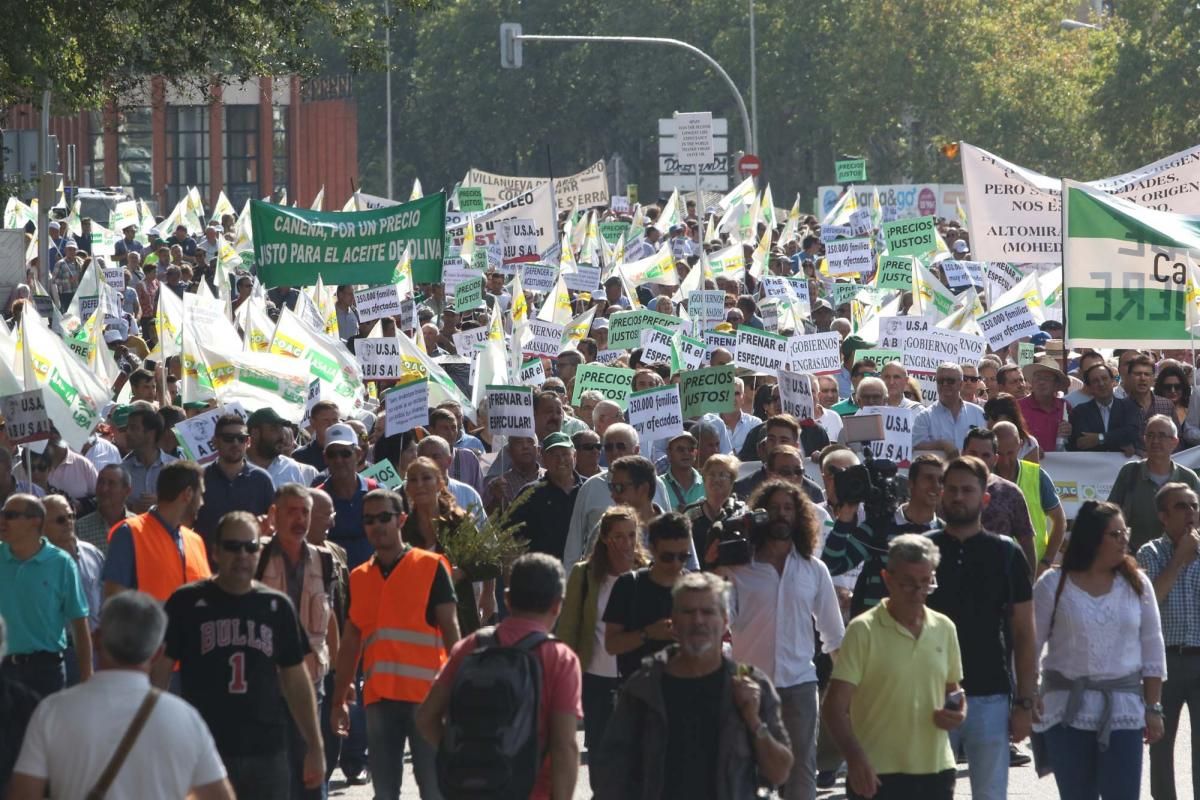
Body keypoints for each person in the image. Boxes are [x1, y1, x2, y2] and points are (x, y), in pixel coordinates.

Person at [156, 511, 324, 800]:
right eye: (233, 547)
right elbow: (159, 672)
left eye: (250, 547)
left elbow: (296, 680)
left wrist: (315, 745)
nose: (242, 555)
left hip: (266, 750)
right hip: (203, 749)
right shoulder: (186, 602)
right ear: (216, 551)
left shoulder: (276, 606)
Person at [8, 592, 234, 800]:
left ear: (96, 640)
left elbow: (24, 794)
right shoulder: (186, 719)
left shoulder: (52, 711)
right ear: (157, 654)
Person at [597, 571, 793, 798]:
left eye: (708, 612)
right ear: (674, 620)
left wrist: (754, 720)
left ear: (725, 621)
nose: (698, 620)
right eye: (688, 612)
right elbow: (611, 774)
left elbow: (780, 772)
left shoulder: (751, 685)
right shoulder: (644, 688)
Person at [416, 553, 583, 799]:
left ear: (507, 598)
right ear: (558, 604)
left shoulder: (472, 646)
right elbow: (564, 746)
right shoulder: (560, 658)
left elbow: (425, 718)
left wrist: (463, 758)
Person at [718, 479, 844, 800]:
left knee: (801, 771)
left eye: (788, 508)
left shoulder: (814, 570)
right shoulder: (738, 568)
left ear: (799, 517)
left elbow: (833, 635)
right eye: (773, 508)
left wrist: (849, 690)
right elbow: (722, 626)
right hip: (749, 684)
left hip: (800, 684)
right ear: (760, 515)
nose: (781, 514)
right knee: (744, 769)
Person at [331, 488, 460, 800]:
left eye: (384, 517)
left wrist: (458, 691)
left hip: (427, 698)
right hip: (380, 699)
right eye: (369, 520)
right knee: (385, 792)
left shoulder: (431, 566)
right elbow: (350, 643)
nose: (377, 525)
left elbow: (452, 630)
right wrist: (338, 701)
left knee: (434, 788)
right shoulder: (359, 577)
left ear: (402, 519)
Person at [1032, 501, 1166, 800]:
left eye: (1124, 533)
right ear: (1092, 538)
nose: (1124, 540)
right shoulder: (1052, 584)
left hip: (1123, 711)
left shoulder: (1137, 584)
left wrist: (1154, 708)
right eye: (1115, 534)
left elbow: (1153, 648)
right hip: (1065, 711)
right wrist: (1027, 698)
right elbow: (1031, 645)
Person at [924, 456, 1036, 800]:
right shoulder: (922, 550)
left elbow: (1024, 633)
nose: (959, 497)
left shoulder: (1006, 554)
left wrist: (1025, 703)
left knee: (990, 794)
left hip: (990, 694)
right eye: (952, 489)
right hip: (927, 695)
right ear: (941, 494)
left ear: (984, 498)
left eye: (968, 490)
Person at [823, 534, 965, 800]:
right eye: (908, 584)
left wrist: (956, 712)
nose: (918, 593)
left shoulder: (944, 628)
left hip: (937, 770)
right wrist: (854, 759)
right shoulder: (862, 630)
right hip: (876, 774)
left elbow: (953, 691)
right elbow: (834, 707)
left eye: (926, 583)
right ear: (887, 579)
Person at [255, 484, 339, 800]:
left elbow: (330, 619)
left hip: (311, 681)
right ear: (275, 515)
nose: (300, 518)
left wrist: (340, 686)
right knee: (274, 772)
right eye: (292, 511)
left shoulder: (324, 560)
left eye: (305, 511)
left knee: (311, 770)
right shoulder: (256, 554)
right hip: (265, 680)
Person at [557, 506, 648, 785]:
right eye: (618, 536)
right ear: (606, 539)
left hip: (636, 677)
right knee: (600, 753)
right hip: (596, 677)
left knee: (638, 754)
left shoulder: (646, 575)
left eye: (631, 536)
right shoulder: (584, 575)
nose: (626, 543)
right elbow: (568, 630)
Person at [824, 454, 945, 618]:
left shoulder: (945, 534)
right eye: (928, 478)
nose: (936, 486)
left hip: (924, 634)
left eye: (940, 480)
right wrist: (845, 516)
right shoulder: (877, 526)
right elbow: (833, 565)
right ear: (910, 483)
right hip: (876, 633)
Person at [1137, 483, 1200, 800]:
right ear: (1163, 516)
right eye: (1181, 507)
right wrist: (1178, 560)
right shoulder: (1150, 552)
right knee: (1160, 747)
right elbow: (1149, 602)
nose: (1190, 513)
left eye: (1193, 505)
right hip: (1164, 664)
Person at [0, 494, 92, 696]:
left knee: (46, 728)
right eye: (2, 514)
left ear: (35, 522)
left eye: (10, 515)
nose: (2, 520)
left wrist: (87, 679)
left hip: (46, 671)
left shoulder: (62, 563)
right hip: (3, 670)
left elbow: (79, 624)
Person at [562, 424, 676, 567]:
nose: (614, 452)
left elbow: (670, 528)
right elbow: (574, 545)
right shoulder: (590, 487)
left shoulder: (656, 484)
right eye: (609, 447)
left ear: (636, 450)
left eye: (621, 446)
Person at [401, 457, 493, 633]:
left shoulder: (459, 522)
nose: (419, 484)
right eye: (413, 480)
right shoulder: (403, 530)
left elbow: (491, 563)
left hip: (460, 620)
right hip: (417, 624)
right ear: (408, 489)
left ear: (439, 483)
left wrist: (463, 572)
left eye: (426, 478)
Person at [102, 460, 212, 601]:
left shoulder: (196, 542)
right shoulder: (128, 533)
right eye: (201, 495)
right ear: (188, 494)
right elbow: (113, 603)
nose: (202, 503)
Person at [603, 512, 695, 681]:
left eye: (683, 557)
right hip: (638, 694)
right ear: (652, 549)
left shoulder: (694, 588)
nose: (676, 563)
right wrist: (648, 633)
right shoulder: (629, 585)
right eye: (667, 557)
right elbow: (611, 645)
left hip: (684, 691)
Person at [1107, 414, 1200, 553]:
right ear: (1144, 440)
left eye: (1162, 436)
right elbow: (1111, 513)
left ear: (1174, 442)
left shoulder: (1188, 478)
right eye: (1150, 435)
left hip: (1177, 558)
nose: (1155, 440)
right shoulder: (1130, 472)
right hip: (1133, 558)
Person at [960, 427, 1039, 571]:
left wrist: (1027, 587)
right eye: (973, 453)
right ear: (963, 453)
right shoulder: (946, 490)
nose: (979, 460)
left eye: (986, 455)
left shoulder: (1011, 493)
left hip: (1000, 582)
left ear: (995, 459)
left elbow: (1027, 545)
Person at [992, 422, 1066, 573]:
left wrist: (1046, 561)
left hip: (1032, 569)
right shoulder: (982, 477)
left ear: (1020, 445)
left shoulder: (1037, 476)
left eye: (1010, 453)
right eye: (1000, 454)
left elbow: (1060, 521)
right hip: (993, 570)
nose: (1005, 461)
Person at [194, 413, 275, 547]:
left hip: (251, 562)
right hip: (206, 563)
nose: (235, 443)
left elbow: (272, 523)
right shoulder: (199, 477)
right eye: (228, 438)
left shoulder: (262, 479)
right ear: (214, 442)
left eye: (241, 438)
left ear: (248, 442)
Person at [506, 432, 583, 560]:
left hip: (585, 574)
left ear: (574, 455)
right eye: (553, 455)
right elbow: (511, 538)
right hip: (542, 575)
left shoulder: (588, 488)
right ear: (542, 458)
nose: (561, 460)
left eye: (565, 453)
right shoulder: (530, 494)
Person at [313, 422, 377, 568]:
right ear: (325, 458)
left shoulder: (376, 492)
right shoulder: (317, 499)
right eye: (332, 454)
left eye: (345, 453)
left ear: (358, 454)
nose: (338, 460)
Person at [912, 362, 987, 457]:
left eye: (950, 381)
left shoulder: (978, 414)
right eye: (940, 381)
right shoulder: (924, 417)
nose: (945, 384)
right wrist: (942, 445)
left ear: (960, 384)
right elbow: (914, 447)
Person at [682, 454, 745, 563]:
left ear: (732, 481)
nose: (716, 479)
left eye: (722, 475)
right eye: (711, 474)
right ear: (704, 480)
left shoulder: (740, 512)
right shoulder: (691, 514)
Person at [1067, 362, 1140, 455]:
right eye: (1095, 381)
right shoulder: (1080, 412)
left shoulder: (1129, 406)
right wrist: (1118, 441)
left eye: (1104, 378)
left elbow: (1132, 433)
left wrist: (1100, 438)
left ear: (1113, 381)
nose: (1101, 384)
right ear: (1089, 387)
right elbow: (1082, 442)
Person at [121, 401, 175, 513]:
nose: (127, 433)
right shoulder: (122, 471)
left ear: (151, 433)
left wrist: (161, 504)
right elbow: (113, 506)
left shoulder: (175, 469)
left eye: (133, 428)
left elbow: (186, 506)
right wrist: (131, 509)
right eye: (127, 428)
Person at [248, 407, 319, 487]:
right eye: (274, 430)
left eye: (281, 430)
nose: (282, 436)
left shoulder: (291, 468)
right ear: (255, 433)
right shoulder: (236, 465)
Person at [75, 463, 134, 554]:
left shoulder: (138, 527)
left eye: (111, 484)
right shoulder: (80, 528)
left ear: (126, 491)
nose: (104, 489)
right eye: (100, 482)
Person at [1018, 358, 1072, 455]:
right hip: (1029, 464)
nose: (1041, 382)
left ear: (1056, 385)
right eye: (1038, 378)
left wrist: (1071, 431)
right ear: (1032, 382)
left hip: (1058, 466)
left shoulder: (1064, 406)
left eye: (1047, 378)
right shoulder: (1019, 407)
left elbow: (1075, 442)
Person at [483, 435, 542, 513]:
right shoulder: (500, 484)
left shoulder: (550, 477)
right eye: (519, 442)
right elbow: (489, 521)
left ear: (538, 450)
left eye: (530, 441)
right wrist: (496, 500)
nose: (525, 446)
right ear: (509, 452)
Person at [660, 431, 705, 511]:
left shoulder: (706, 483)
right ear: (669, 453)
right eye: (680, 449)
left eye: (691, 449)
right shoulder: (659, 484)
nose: (686, 453)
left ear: (695, 453)